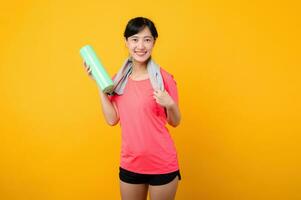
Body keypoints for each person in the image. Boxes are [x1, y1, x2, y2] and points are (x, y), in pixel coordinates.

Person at [83, 17, 181, 200]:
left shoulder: (164, 78)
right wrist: (99, 82)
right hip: (131, 163)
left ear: (154, 42)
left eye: (147, 39)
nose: (140, 46)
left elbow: (175, 121)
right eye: (135, 39)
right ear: (126, 42)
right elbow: (112, 119)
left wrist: (170, 104)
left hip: (162, 163)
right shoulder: (118, 81)